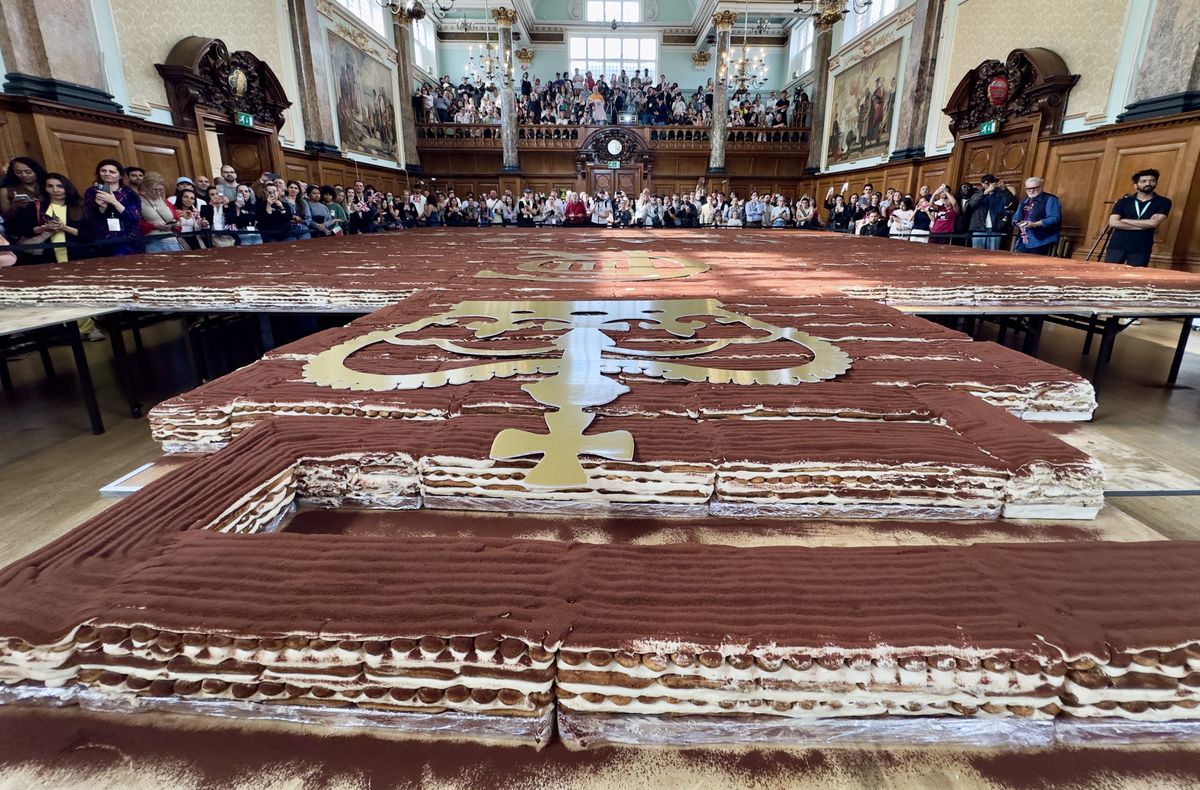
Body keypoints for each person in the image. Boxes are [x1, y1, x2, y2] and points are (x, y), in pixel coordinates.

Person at [1105, 169, 1172, 267]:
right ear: (1135, 185)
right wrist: (1144, 225)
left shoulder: (1163, 202)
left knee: (1135, 278)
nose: (1148, 183)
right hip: (1117, 246)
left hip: (1141, 247)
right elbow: (1113, 223)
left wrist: (1124, 221)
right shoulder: (1123, 201)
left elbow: (1153, 223)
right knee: (1109, 275)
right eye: (1143, 181)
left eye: (1152, 180)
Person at [84, 159, 142, 256]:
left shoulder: (129, 193)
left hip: (128, 240)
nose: (107, 174)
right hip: (103, 241)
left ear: (120, 175)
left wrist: (114, 202)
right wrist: (101, 207)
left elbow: (135, 218)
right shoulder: (92, 191)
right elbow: (89, 218)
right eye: (103, 171)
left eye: (112, 172)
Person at [1010, 177, 1062, 255]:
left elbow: (1054, 218)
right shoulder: (1025, 200)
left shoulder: (1050, 199)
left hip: (1042, 239)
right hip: (1023, 238)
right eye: (1028, 189)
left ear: (1041, 186)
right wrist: (1016, 222)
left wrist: (1035, 224)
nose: (1031, 191)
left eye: (1035, 188)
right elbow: (1016, 216)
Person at [964, 174, 1015, 250]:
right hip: (979, 228)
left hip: (995, 227)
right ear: (982, 184)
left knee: (993, 253)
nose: (990, 185)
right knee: (977, 252)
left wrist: (1004, 189)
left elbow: (1008, 202)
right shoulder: (977, 194)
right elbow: (972, 204)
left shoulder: (1000, 193)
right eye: (987, 183)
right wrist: (986, 192)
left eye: (992, 183)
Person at [139, 172, 184, 254]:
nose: (158, 193)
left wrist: (176, 224)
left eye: (161, 190)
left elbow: (176, 219)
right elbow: (135, 223)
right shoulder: (138, 201)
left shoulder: (166, 202)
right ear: (145, 188)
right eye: (154, 190)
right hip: (152, 242)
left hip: (171, 240)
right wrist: (153, 225)